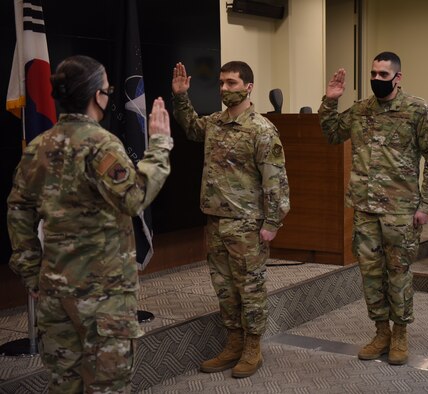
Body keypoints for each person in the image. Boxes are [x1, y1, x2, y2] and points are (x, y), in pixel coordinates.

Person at [7, 55, 173, 393]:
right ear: (99, 95)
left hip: (54, 293)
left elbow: (18, 210)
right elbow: (133, 198)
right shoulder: (100, 144)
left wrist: (30, 271)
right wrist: (159, 147)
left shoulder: (39, 146)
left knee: (64, 384)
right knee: (107, 386)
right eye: (108, 87)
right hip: (103, 298)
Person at [318, 51, 428, 365]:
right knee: (371, 274)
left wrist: (426, 204)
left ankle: (400, 333)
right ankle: (380, 332)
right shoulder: (361, 110)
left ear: (398, 78)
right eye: (373, 74)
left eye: (383, 75)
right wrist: (330, 100)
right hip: (364, 208)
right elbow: (332, 133)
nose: (376, 80)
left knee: (398, 274)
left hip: (401, 211)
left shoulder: (418, 110)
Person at [171, 61, 290, 378]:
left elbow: (276, 181)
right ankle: (233, 343)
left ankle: (253, 347)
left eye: (232, 83)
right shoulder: (215, 123)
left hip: (246, 224)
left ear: (248, 87)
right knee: (224, 288)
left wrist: (272, 223)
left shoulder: (261, 130)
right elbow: (190, 127)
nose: (225, 89)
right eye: (222, 83)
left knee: (250, 288)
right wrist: (181, 96)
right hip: (215, 221)